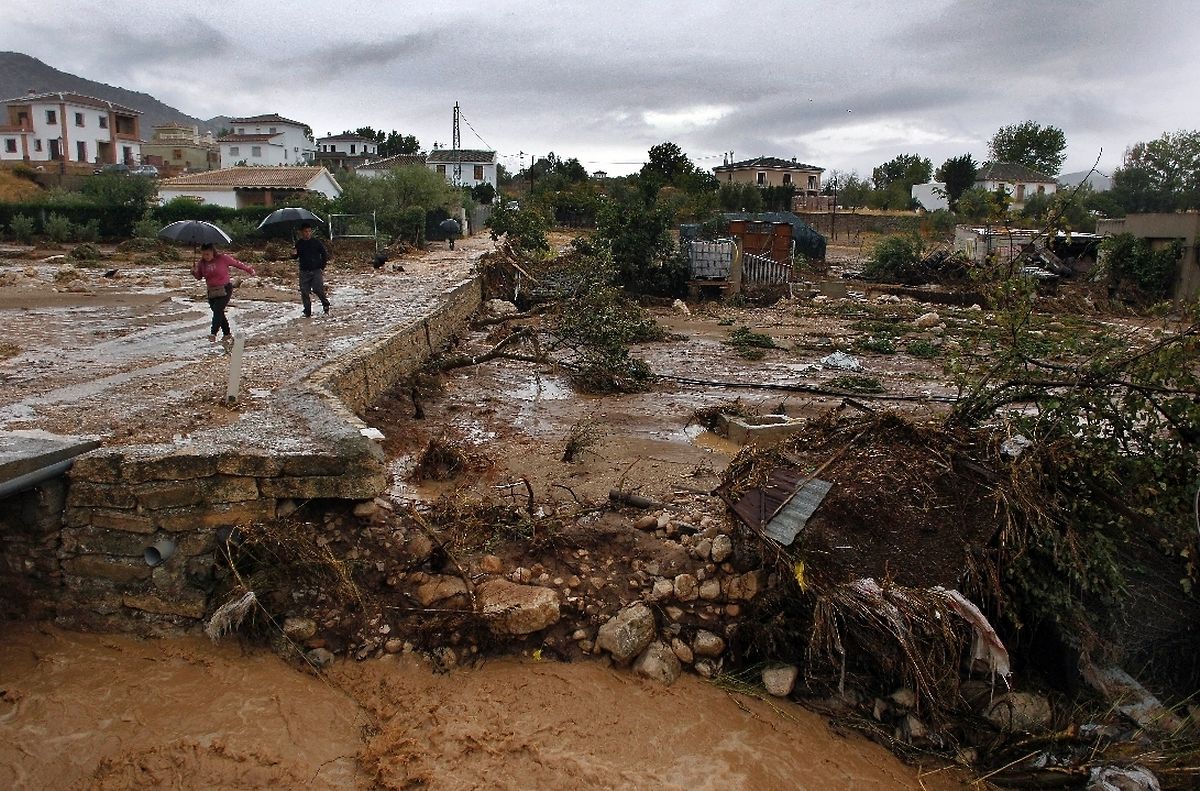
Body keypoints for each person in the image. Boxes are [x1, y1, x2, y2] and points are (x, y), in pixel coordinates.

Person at [191, 243, 255, 342]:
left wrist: (249, 270)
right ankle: (227, 333)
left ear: (213, 252)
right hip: (211, 290)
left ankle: (213, 334)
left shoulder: (223, 258)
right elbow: (199, 277)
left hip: (225, 288)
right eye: (203, 254)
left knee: (217, 310)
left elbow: (237, 264)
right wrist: (194, 272)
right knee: (218, 312)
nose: (205, 257)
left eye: (207, 254)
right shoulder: (202, 263)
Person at [293, 223, 331, 317]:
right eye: (306, 231)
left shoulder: (316, 242)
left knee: (318, 289)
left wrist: (322, 267)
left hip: (316, 270)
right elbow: (295, 256)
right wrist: (293, 254)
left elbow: (324, 254)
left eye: (309, 231)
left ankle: (325, 303)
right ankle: (307, 311)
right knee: (304, 291)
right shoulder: (299, 243)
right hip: (304, 270)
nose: (308, 233)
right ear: (301, 232)